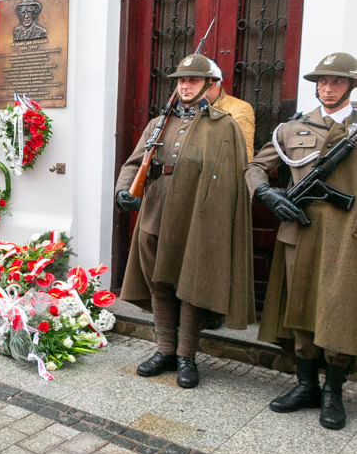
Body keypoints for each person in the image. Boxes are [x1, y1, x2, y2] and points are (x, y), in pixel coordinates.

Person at [114, 53, 254, 389]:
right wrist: (123, 190)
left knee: (191, 285)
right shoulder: (158, 123)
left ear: (209, 85)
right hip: (156, 214)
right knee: (159, 283)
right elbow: (135, 163)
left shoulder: (224, 126)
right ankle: (165, 351)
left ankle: (187, 357)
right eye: (180, 80)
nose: (185, 86)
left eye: (192, 80)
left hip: (196, 219)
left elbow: (232, 179)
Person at [246, 51, 357, 430]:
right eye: (322, 82)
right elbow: (256, 166)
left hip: (348, 236)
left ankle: (333, 392)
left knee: (339, 312)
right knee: (301, 309)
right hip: (302, 230)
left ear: (350, 85)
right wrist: (266, 194)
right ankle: (306, 384)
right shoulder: (290, 130)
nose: (327, 88)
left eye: (337, 81)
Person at [205, 60, 255, 161]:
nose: (186, 87)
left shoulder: (240, 109)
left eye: (193, 81)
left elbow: (244, 155)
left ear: (211, 84)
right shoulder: (185, 107)